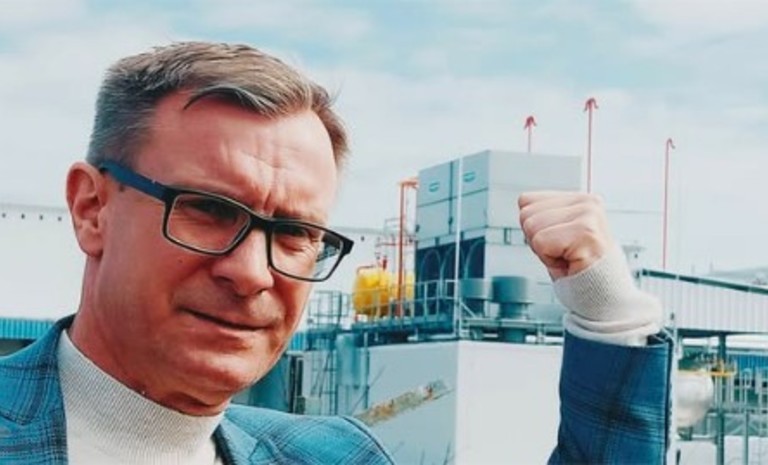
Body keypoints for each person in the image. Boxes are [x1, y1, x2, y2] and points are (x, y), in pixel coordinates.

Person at [0, 41, 671, 464]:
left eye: (294, 232)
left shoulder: (335, 454)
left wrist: (608, 318)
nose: (252, 273)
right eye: (209, 210)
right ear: (92, 209)